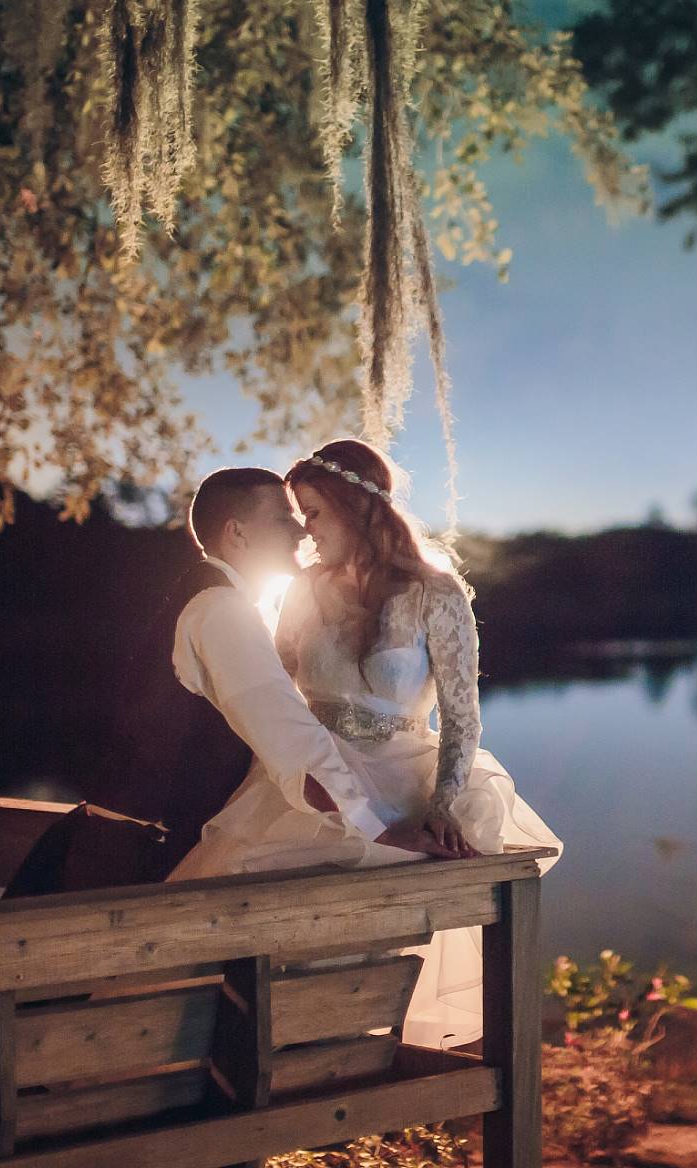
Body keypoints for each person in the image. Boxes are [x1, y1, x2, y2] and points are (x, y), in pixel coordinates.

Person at [168, 440, 562, 1048]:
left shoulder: (437, 594)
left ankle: (347, 1057)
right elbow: (274, 697)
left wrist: (442, 807)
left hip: (406, 784)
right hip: (322, 781)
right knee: (263, 919)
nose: (304, 532)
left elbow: (462, 720)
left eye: (314, 513)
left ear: (356, 507)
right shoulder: (299, 592)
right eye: (296, 516)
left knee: (374, 942)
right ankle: (268, 1057)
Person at [79, 466, 454, 887]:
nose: (301, 531)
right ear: (237, 534)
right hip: (134, 861)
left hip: (130, 846)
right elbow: (292, 738)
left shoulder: (212, 598)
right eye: (283, 518)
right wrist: (379, 830)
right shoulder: (222, 612)